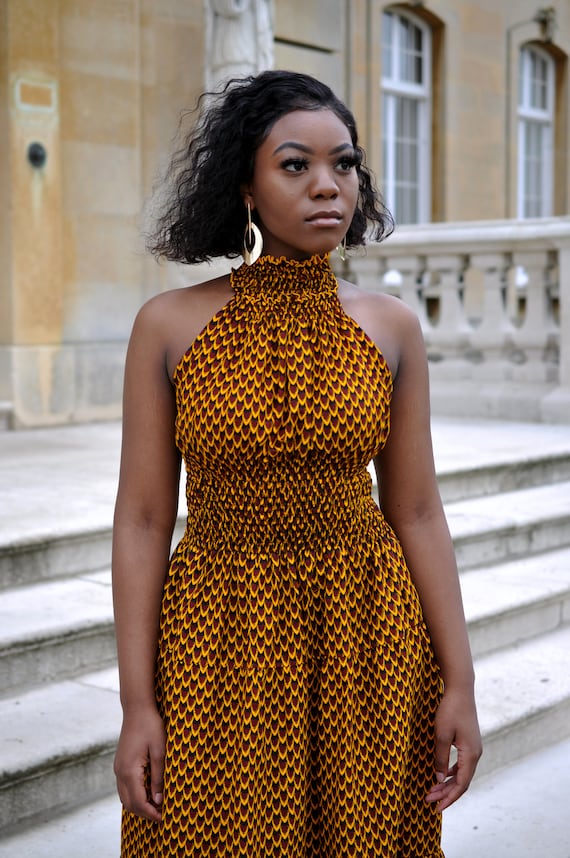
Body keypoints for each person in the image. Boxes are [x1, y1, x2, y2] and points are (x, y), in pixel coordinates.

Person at [112, 69, 482, 857]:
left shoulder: (390, 327)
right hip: (219, 631)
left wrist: (461, 682)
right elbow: (143, 519)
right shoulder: (169, 325)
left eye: (343, 164)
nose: (328, 186)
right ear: (244, 185)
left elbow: (416, 510)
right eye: (295, 165)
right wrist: (137, 704)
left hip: (367, 631)